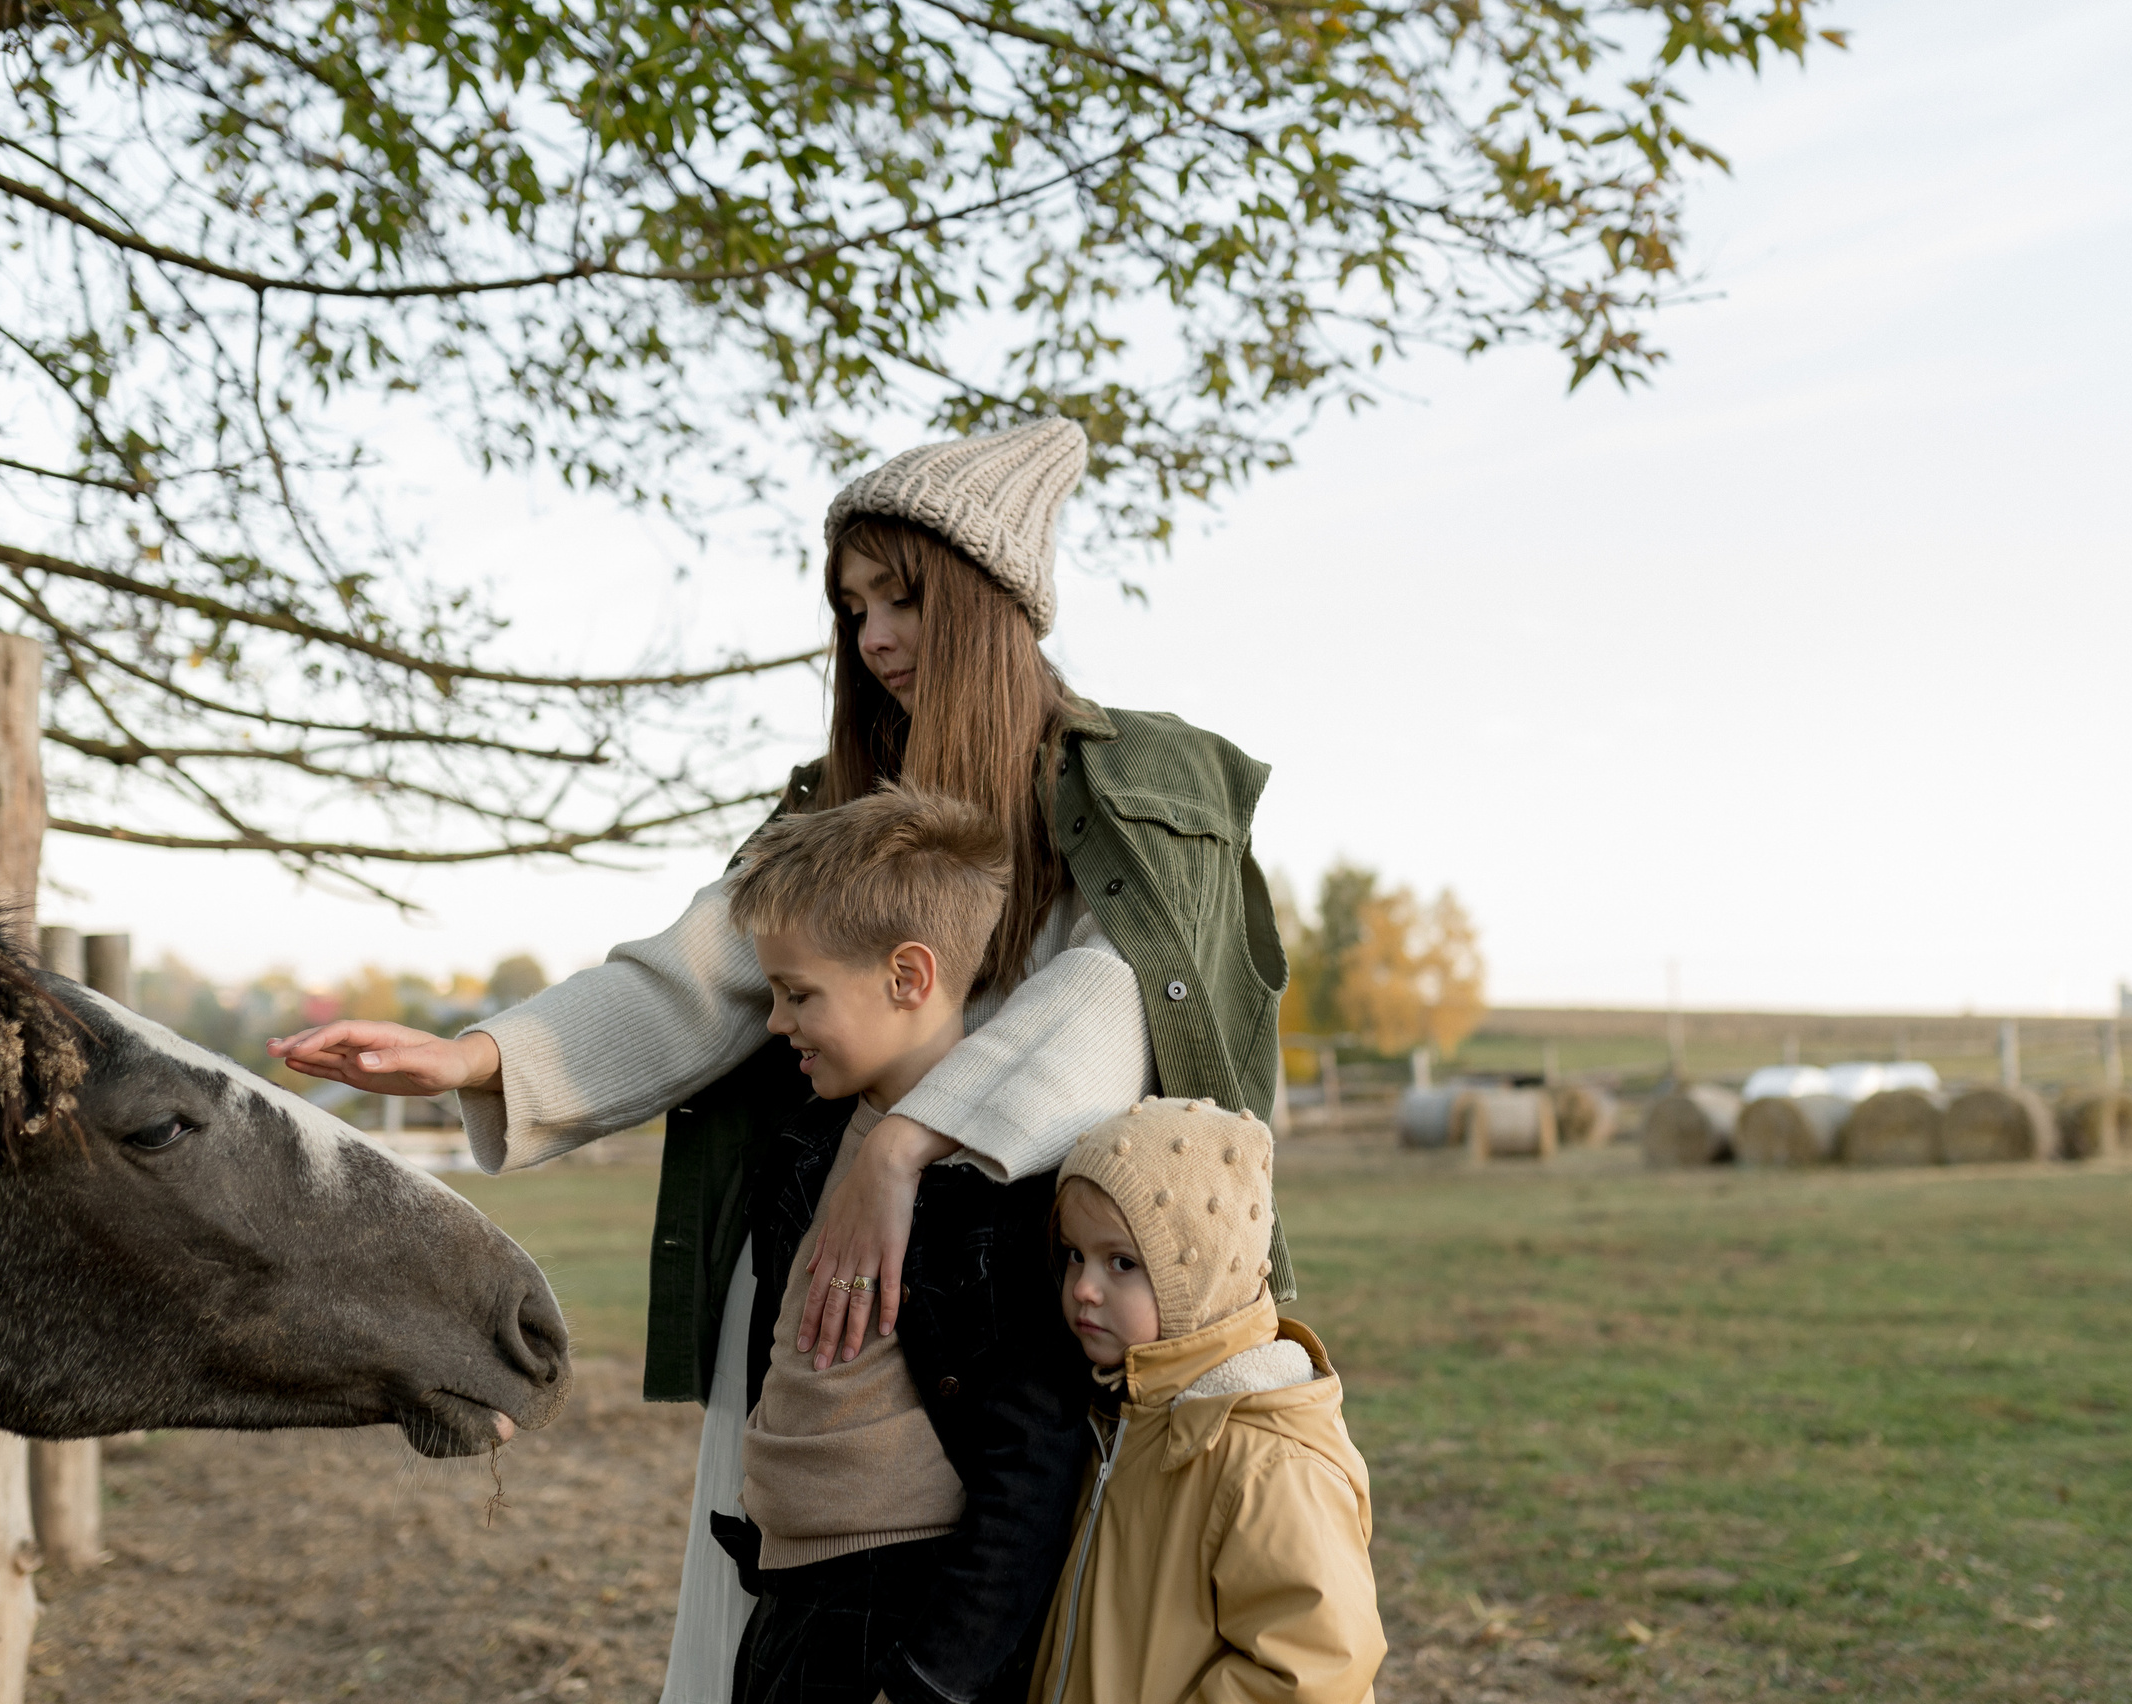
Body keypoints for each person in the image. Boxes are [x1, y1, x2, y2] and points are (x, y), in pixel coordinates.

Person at [267, 415, 1293, 1704]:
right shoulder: (834, 809)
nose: (870, 639)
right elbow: (696, 976)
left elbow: (1118, 996)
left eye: (902, 598)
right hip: (821, 1308)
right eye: (853, 605)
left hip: (1022, 1310)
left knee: (1006, 1628)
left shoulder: (1144, 788)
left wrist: (904, 1146)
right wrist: (474, 1056)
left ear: (989, 606)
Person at [714, 781, 1092, 1703]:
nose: (774, 1023)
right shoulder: (808, 1144)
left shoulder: (1002, 1188)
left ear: (909, 977)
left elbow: (1033, 1462)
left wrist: (933, 1679)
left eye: (798, 994)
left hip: (898, 1610)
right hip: (788, 1596)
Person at [1033, 1098, 1382, 1704]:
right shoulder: (1122, 1416)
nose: (1084, 1288)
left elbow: (1313, 1670)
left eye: (1121, 1263)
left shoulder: (1268, 1463)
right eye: (1074, 1255)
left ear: (1199, 1278)